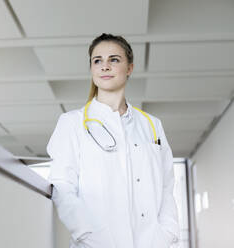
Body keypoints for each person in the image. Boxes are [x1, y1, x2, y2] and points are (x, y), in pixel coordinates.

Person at [47, 33, 180, 248]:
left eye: (114, 60)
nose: (104, 66)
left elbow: (166, 187)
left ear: (129, 68)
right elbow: (63, 187)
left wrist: (167, 234)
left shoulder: (152, 125)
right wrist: (88, 235)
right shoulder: (72, 123)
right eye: (97, 61)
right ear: (91, 69)